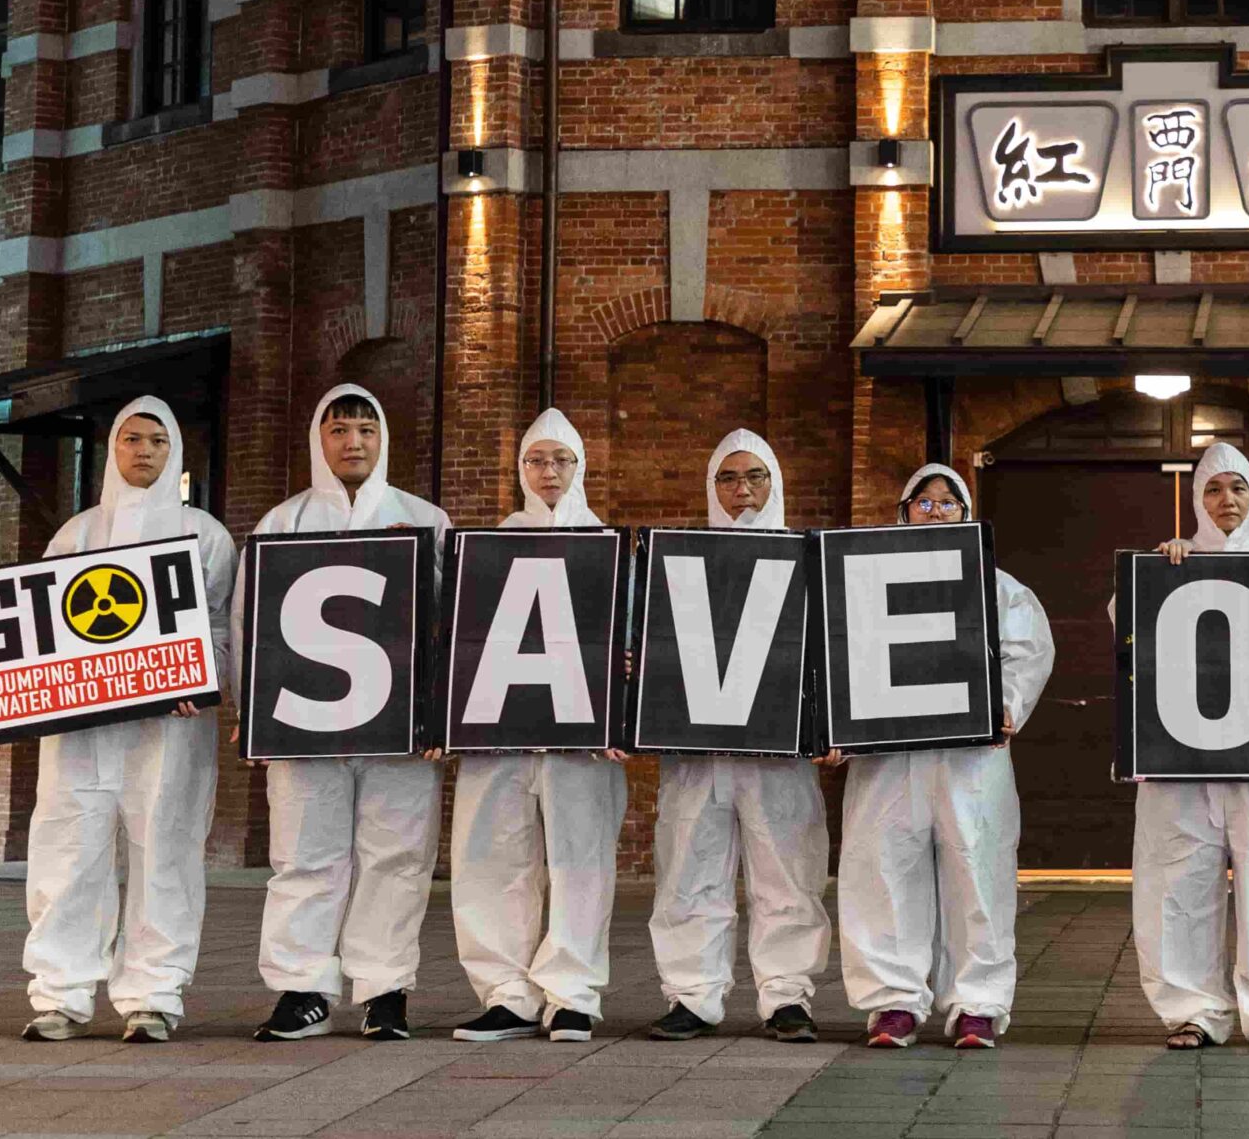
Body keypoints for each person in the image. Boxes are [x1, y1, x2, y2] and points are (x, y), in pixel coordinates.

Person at [20, 397, 238, 1043]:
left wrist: (205, 679)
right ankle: (59, 993)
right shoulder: (77, 533)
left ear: (175, 452)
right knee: (69, 849)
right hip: (83, 729)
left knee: (165, 848)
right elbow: (43, 621)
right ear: (114, 448)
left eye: (157, 441)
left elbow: (223, 623)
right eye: (132, 439)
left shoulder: (206, 534)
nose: (144, 451)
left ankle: (154, 991)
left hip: (172, 725)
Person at [244, 385, 454, 1043]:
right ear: (320, 438)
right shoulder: (283, 522)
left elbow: (450, 624)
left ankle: (384, 990)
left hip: (401, 730)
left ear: (382, 437)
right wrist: (254, 710)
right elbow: (252, 624)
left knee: (397, 854)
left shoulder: (427, 520)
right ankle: (301, 987)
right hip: (305, 725)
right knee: (304, 853)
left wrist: (439, 713)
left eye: (366, 427)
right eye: (340, 429)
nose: (354, 440)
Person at [836, 463, 1055, 1049]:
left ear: (967, 514)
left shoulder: (996, 585)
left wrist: (1008, 705)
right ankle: (893, 1002)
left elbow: (1028, 650)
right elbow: (835, 659)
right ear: (902, 511)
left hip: (970, 760)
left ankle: (977, 1003)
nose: (936, 513)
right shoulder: (861, 585)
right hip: (888, 760)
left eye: (948, 504)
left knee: (977, 872)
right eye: (924, 503)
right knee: (882, 871)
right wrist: (833, 726)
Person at [1132, 442, 1249, 1053]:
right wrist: (1161, 575)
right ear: (1197, 500)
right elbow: (1128, 628)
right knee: (1177, 878)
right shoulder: (1171, 562)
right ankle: (1191, 1008)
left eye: (1237, 488)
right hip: (1181, 759)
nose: (1227, 501)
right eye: (1214, 490)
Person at [449, 408, 628, 1044]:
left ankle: (573, 992)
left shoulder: (609, 547)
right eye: (536, 461)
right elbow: (460, 638)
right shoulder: (491, 545)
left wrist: (622, 703)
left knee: (581, 860)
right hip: (500, 736)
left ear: (580, 468)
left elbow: (632, 642)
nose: (548, 472)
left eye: (561, 460)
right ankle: (507, 994)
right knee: (492, 857)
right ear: (520, 470)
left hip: (582, 743)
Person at [646, 430, 830, 1044]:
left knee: (788, 874)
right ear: (711, 487)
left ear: (775, 483)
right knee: (688, 870)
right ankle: (692, 996)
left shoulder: (807, 560)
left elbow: (834, 653)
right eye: (727, 478)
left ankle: (787, 997)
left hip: (779, 755)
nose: (742, 489)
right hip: (696, 754)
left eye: (754, 475)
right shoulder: (674, 563)